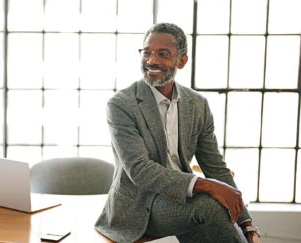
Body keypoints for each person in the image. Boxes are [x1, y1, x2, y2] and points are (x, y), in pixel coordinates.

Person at [94, 22, 261, 243]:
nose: (151, 60)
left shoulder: (197, 105)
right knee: (209, 207)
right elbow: (139, 170)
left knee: (215, 213)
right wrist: (208, 186)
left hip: (181, 197)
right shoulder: (122, 104)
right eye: (146, 53)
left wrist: (247, 224)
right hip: (138, 204)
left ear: (182, 60)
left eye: (163, 54)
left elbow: (214, 166)